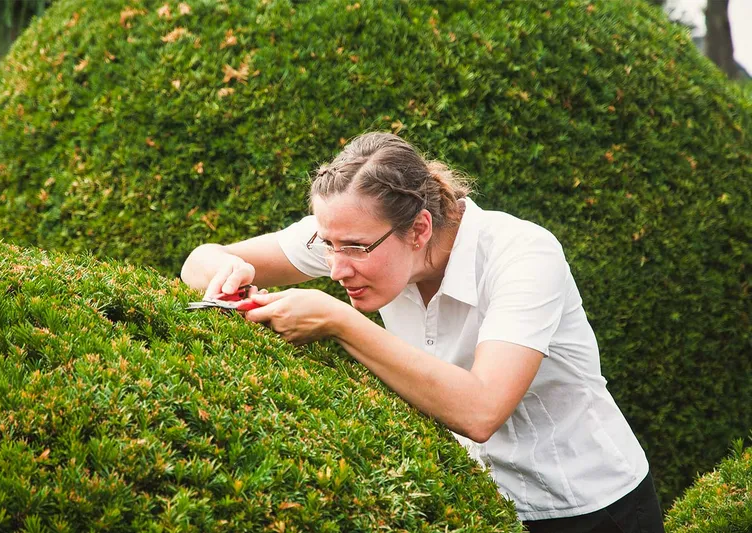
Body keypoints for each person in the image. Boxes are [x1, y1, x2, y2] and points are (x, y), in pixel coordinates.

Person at [180, 132, 665, 532]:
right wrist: (229, 272)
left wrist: (339, 321)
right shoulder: (354, 233)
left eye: (353, 249)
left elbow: (481, 411)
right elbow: (198, 261)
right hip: (478, 505)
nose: (336, 268)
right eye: (327, 245)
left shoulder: (523, 255)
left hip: (592, 509)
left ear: (419, 229)